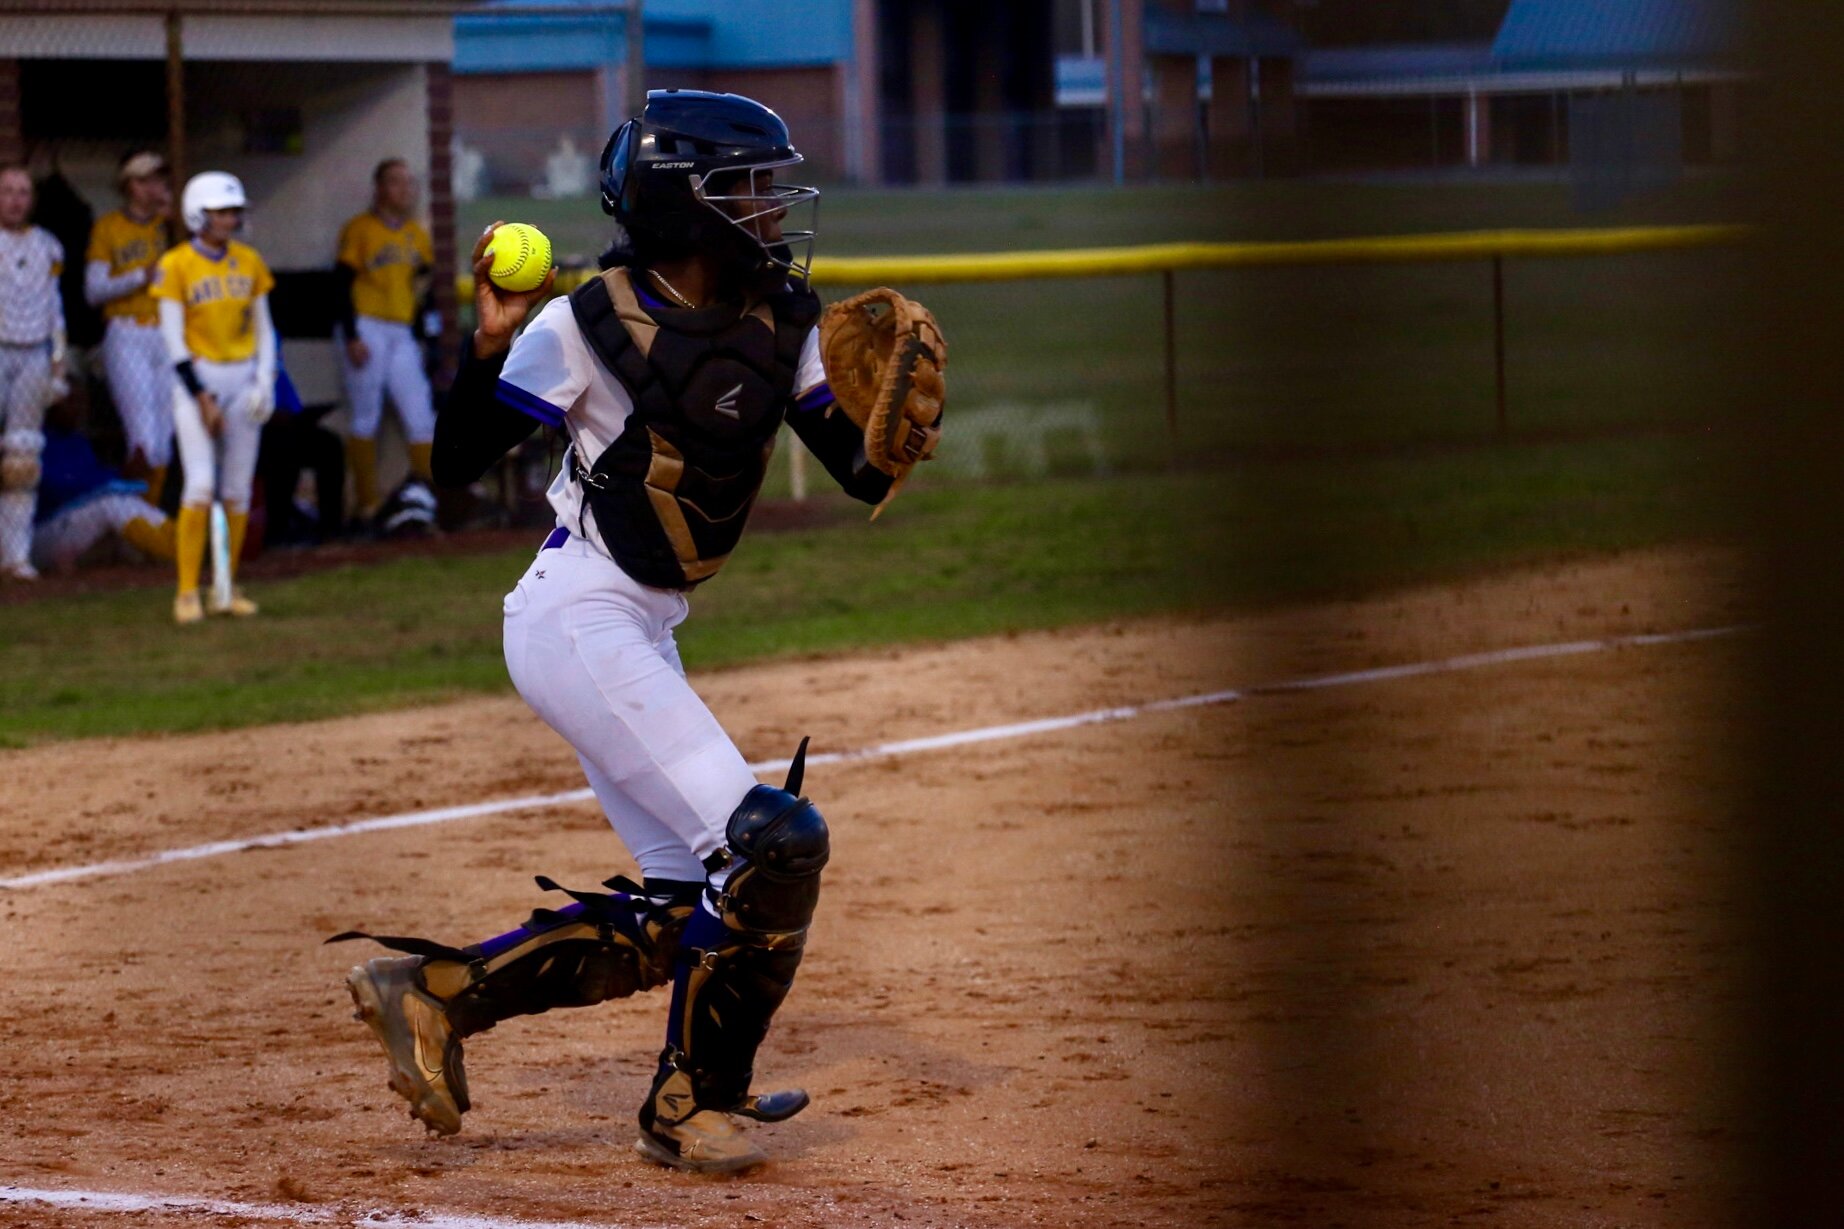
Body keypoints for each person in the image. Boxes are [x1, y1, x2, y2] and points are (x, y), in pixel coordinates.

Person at [337, 89, 945, 1174]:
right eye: (745, 187)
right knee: (773, 844)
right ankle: (690, 1102)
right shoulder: (583, 322)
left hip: (643, 625)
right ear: (682, 200)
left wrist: (897, 434)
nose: (769, 207)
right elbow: (457, 463)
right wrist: (487, 345)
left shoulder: (785, 320)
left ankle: (431, 995)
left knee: (684, 905)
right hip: (575, 614)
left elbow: (855, 470)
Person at [150, 171, 276, 624]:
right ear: (196, 214)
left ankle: (226, 586)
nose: (230, 218)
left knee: (238, 489)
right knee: (200, 485)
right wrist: (200, 394)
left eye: (232, 211)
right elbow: (172, 341)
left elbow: (264, 328)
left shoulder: (249, 261)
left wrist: (264, 379)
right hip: (196, 380)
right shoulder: (176, 264)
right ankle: (186, 592)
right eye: (221, 211)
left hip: (242, 376)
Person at [334, 158, 435, 520]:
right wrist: (351, 335)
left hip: (401, 330)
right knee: (365, 417)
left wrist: (427, 332)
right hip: (366, 327)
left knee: (421, 415)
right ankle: (367, 504)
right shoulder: (360, 229)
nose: (405, 189)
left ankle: (426, 500)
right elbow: (341, 283)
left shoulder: (416, 234)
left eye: (409, 183)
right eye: (396, 182)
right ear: (378, 189)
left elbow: (425, 285)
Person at [85, 150, 175, 505]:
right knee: (143, 440)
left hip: (165, 333)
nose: (157, 187)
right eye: (148, 180)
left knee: (165, 440)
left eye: (159, 180)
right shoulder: (109, 226)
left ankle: (145, 520)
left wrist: (173, 222)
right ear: (131, 186)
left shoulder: (168, 226)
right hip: (127, 333)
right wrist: (141, 276)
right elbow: (93, 290)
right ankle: (133, 522)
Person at [0, 163, 67, 582]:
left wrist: (58, 360)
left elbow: (55, 308)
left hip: (34, 351)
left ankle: (15, 556)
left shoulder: (49, 247)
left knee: (22, 460)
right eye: (7, 190)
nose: (16, 199)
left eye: (23, 191)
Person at [31, 402, 175, 574]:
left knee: (123, 500)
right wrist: (118, 475)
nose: (78, 409)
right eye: (70, 402)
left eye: (80, 402)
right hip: (42, 536)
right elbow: (55, 488)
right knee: (110, 504)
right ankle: (177, 552)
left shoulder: (78, 442)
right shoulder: (35, 442)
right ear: (53, 404)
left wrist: (117, 476)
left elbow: (91, 479)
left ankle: (180, 542)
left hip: (76, 528)